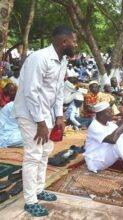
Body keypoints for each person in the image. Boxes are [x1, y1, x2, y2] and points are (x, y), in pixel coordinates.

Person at [13, 25, 77, 217]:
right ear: (64, 41)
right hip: (29, 113)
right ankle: (30, 200)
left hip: (46, 114)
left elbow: (58, 91)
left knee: (45, 153)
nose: (75, 44)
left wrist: (59, 116)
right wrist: (41, 123)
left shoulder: (62, 61)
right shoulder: (39, 58)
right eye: (74, 41)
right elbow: (30, 91)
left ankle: (39, 190)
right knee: (33, 154)